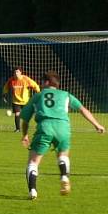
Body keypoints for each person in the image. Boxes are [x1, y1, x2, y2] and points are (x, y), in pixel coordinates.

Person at [20, 70, 104, 200]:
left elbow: (25, 118)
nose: (41, 84)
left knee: (33, 161)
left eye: (42, 81)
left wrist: (25, 135)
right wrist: (97, 124)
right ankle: (64, 176)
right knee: (63, 155)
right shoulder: (66, 95)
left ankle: (33, 191)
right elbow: (82, 109)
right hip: (63, 128)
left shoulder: (38, 96)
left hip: (45, 127)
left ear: (47, 82)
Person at [3, 67, 40, 132]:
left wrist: (38, 92)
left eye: (17, 72)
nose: (16, 73)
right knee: (17, 114)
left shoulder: (26, 79)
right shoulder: (11, 80)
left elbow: (34, 85)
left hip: (25, 101)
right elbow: (6, 87)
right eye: (14, 72)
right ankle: (18, 129)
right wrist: (4, 94)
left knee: (26, 116)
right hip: (16, 101)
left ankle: (29, 128)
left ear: (20, 72)